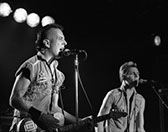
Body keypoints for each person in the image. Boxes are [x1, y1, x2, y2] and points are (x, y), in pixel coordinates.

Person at [9, 23, 91, 132]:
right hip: (25, 126)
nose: (65, 43)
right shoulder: (31, 66)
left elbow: (54, 107)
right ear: (47, 43)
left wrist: (79, 120)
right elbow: (15, 99)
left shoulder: (59, 75)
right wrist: (39, 116)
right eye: (61, 39)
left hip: (43, 128)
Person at [95, 61, 146, 132]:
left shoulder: (140, 99)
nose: (137, 76)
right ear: (123, 76)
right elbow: (99, 121)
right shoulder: (113, 95)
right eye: (132, 73)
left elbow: (140, 128)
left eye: (137, 74)